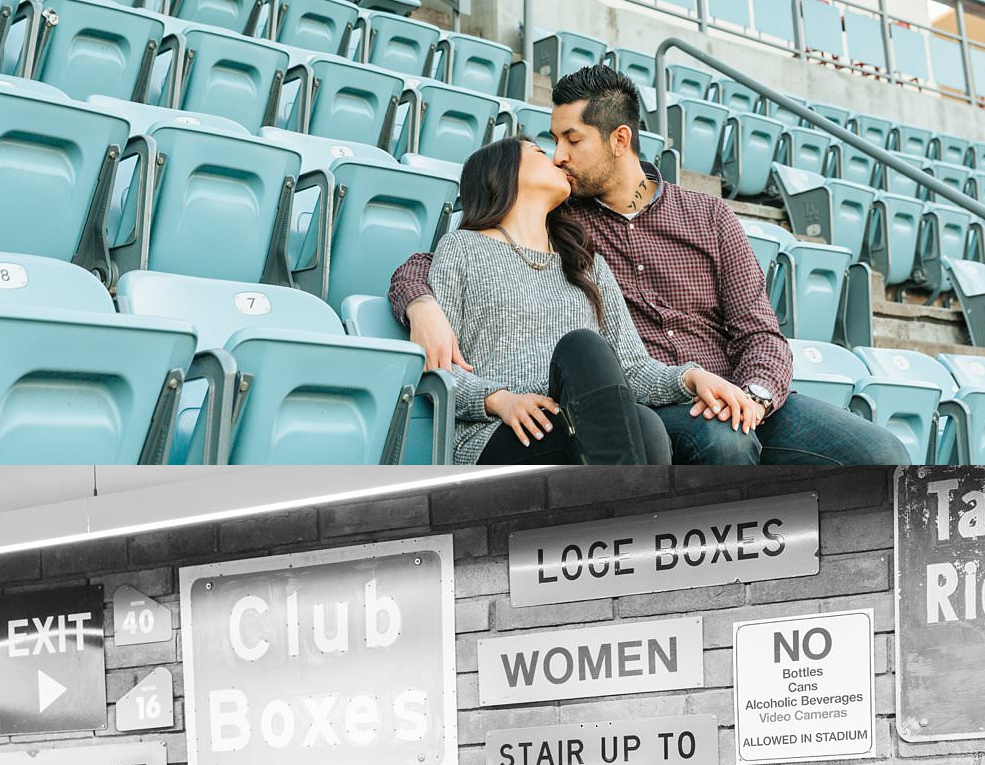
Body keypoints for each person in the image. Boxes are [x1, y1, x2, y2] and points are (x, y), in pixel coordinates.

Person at [388, 63, 909, 468]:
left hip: (729, 390)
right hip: (648, 405)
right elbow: (448, 252)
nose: (560, 156)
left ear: (619, 140)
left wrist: (751, 397)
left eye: (572, 140)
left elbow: (761, 334)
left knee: (882, 455)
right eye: (552, 144)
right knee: (720, 444)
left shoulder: (707, 215)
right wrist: (421, 302)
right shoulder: (565, 221)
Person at [425, 134, 758, 464]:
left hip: (583, 426)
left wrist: (691, 377)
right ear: (503, 171)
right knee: (583, 348)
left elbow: (632, 367)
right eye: (540, 152)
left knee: (646, 424)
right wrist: (498, 399)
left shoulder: (586, 261)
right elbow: (438, 369)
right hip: (505, 429)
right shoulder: (462, 248)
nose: (557, 159)